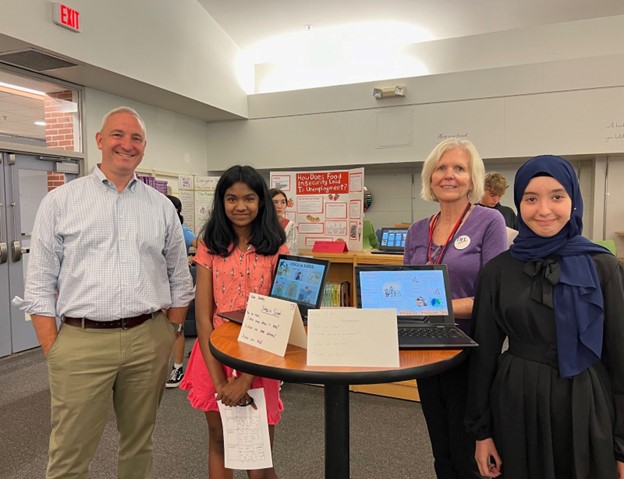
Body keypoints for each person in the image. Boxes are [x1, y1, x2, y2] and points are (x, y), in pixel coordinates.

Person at [12, 106, 195, 479]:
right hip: (82, 340)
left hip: (149, 338)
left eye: (136, 138)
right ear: (99, 140)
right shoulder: (61, 202)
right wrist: (54, 348)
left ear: (144, 147)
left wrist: (170, 333)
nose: (126, 145)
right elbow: (39, 283)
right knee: (69, 452)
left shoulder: (160, 207)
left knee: (139, 442)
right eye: (117, 135)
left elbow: (180, 278)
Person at [465, 155, 624, 479]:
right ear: (518, 203)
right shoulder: (498, 270)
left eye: (557, 197)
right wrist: (482, 433)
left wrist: (621, 444)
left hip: (586, 399)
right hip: (517, 399)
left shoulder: (602, 266)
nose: (544, 210)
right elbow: (484, 354)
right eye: (531, 198)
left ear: (573, 200)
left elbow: (621, 357)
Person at [403, 138, 507, 479]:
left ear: (472, 178)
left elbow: (493, 297)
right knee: (441, 450)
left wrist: (436, 305)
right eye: (441, 168)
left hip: (470, 352)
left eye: (459, 168)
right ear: (430, 177)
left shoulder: (488, 222)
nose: (449, 175)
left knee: (470, 450)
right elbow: (404, 292)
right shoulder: (418, 230)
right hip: (425, 348)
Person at [180, 165, 287, 478]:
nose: (240, 206)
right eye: (231, 198)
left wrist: (245, 380)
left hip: (261, 357)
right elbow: (202, 316)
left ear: (261, 202)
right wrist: (220, 382)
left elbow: (280, 316)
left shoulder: (276, 248)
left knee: (258, 450)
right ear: (221, 201)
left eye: (249, 198)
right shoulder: (209, 246)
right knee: (219, 439)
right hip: (214, 356)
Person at [165, 194, 198, 388]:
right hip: (155, 287)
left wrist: (194, 260)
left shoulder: (180, 229)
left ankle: (177, 368)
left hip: (176, 286)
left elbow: (201, 245)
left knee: (176, 328)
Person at [270, 187, 298, 255]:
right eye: (275, 202)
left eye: (283, 202)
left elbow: (292, 251)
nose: (279, 206)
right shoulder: (258, 223)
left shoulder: (290, 225)